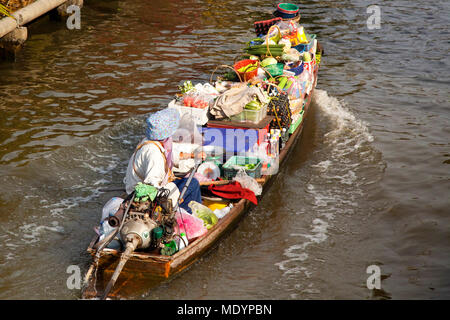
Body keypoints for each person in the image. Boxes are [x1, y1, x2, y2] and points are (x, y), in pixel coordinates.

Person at [123, 108, 202, 214]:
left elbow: (170, 154)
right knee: (192, 183)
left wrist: (192, 155)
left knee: (183, 181)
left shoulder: (150, 141)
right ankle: (186, 214)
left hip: (146, 186)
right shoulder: (153, 152)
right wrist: (171, 199)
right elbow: (152, 183)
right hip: (143, 194)